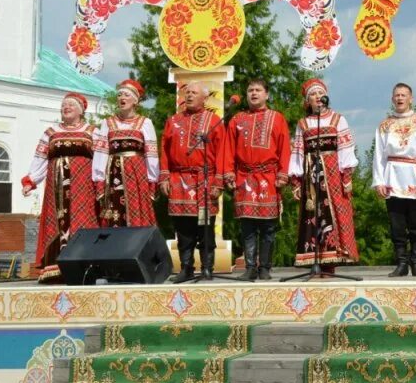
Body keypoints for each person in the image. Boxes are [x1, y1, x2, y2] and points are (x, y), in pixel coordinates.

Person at [21, 93, 99, 283]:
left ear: (81, 110)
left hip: (84, 189)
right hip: (55, 189)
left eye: (71, 105)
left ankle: (85, 268)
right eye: (64, 105)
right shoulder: (50, 132)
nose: (66, 107)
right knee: (55, 223)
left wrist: (101, 184)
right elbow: (40, 158)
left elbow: (101, 160)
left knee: (82, 221)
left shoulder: (92, 132)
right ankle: (55, 269)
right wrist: (30, 180)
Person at [371, 83, 416, 277]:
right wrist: (378, 180)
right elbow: (379, 155)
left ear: (411, 98)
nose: (400, 98)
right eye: (396, 95)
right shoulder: (385, 125)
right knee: (397, 223)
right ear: (392, 99)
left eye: (403, 95)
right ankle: (401, 262)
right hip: (392, 176)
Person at [289, 79, 359, 273]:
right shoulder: (303, 124)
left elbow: (346, 148)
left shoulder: (338, 119)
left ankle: (333, 261)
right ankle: (315, 260)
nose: (318, 97)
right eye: (313, 94)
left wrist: (346, 176)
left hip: (333, 174)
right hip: (311, 177)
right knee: (313, 215)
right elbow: (297, 152)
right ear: (307, 101)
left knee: (334, 212)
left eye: (321, 93)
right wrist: (296, 181)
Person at [224, 78, 291, 281]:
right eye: (250, 90)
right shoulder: (237, 120)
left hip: (268, 176)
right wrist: (229, 173)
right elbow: (228, 149)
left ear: (266, 94)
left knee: (268, 226)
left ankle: (265, 268)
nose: (254, 93)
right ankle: (251, 267)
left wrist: (282, 174)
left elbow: (284, 148)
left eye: (258, 90)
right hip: (244, 176)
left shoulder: (277, 118)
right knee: (247, 225)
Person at [159, 82, 224, 282]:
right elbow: (165, 150)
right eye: (187, 92)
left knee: (205, 227)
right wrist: (164, 176)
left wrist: (218, 182)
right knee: (183, 228)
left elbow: (223, 152)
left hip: (205, 180)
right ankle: (186, 268)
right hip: (179, 180)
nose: (189, 96)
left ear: (204, 98)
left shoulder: (214, 121)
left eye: (194, 92)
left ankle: (207, 268)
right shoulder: (173, 121)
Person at [92, 79, 158, 228]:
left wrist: (152, 181)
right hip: (113, 173)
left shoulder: (145, 123)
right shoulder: (107, 123)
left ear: (135, 101)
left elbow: (151, 154)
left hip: (136, 174)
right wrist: (99, 179)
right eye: (120, 95)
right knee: (113, 210)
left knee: (136, 211)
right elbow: (101, 152)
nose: (122, 98)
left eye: (126, 95)